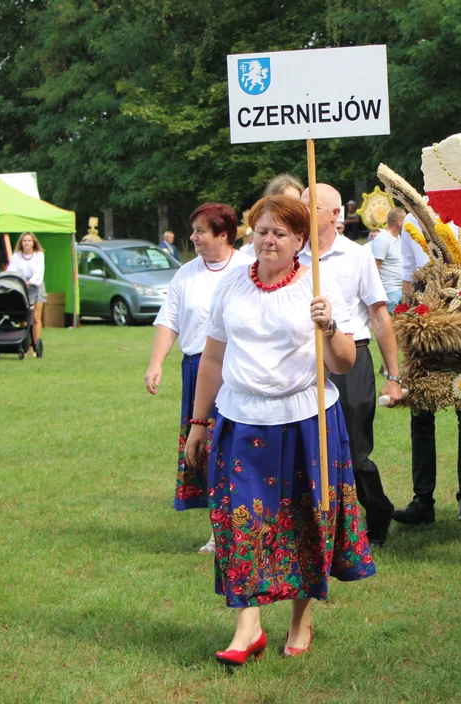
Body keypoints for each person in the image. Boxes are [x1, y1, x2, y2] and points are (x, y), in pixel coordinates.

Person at [184, 195, 374, 664]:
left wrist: (329, 327)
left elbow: (344, 363)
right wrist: (198, 423)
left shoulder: (317, 285)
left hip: (306, 422)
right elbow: (212, 358)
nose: (269, 240)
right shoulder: (231, 284)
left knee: (305, 523)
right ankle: (246, 629)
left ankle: (299, 621)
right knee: (239, 521)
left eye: (281, 233)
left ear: (300, 241)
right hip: (241, 420)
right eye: (262, 230)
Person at [300, 183, 404, 546]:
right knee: (311, 449)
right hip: (305, 362)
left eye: (312, 207)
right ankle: (322, 527)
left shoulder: (358, 256)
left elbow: (378, 315)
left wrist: (393, 376)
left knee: (354, 452)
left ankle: (377, 511)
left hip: (352, 359)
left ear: (334, 215)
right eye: (301, 206)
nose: (305, 213)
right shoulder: (292, 256)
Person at [145, 204, 253, 552]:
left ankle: (244, 525)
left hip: (237, 369)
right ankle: (217, 529)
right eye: (193, 230)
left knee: (234, 448)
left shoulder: (245, 269)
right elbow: (170, 320)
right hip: (197, 370)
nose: (193, 237)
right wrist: (155, 363)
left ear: (223, 234)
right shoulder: (186, 274)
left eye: (200, 231)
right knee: (202, 448)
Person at [394, 214, 461, 527]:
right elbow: (409, 274)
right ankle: (423, 500)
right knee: (421, 410)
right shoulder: (410, 219)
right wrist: (407, 322)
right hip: (424, 314)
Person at [240, 174, 303, 257]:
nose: (292, 207)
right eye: (286, 201)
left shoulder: (310, 243)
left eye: (297, 202)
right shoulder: (254, 250)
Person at [8, 232, 46, 356]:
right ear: (21, 243)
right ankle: (26, 343)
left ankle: (37, 345)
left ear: (33, 242)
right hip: (21, 286)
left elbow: (39, 272)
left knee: (35, 317)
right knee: (23, 318)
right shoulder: (16, 256)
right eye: (24, 241)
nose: (27, 243)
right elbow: (12, 269)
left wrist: (31, 282)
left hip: (36, 286)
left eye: (29, 241)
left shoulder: (39, 255)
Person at [369, 207, 404, 311]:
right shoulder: (383, 239)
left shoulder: (398, 237)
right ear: (399, 222)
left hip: (400, 288)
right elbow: (375, 268)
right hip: (389, 291)